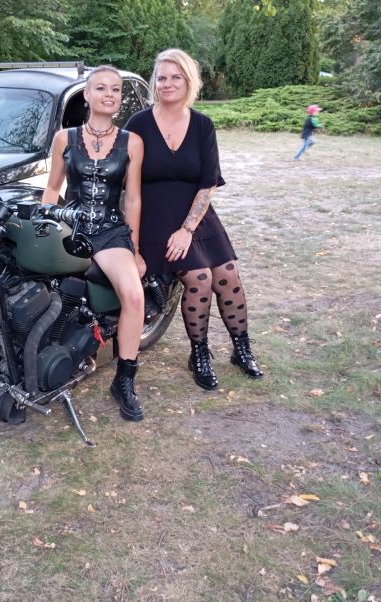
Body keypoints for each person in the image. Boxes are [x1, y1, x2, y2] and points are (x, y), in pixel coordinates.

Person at [125, 48, 263, 391]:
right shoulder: (138, 124)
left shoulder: (202, 125)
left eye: (176, 77)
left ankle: (241, 349)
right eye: (162, 77)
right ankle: (199, 354)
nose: (168, 83)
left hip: (195, 215)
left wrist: (188, 228)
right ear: (154, 83)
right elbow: (123, 179)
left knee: (227, 273)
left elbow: (208, 182)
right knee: (199, 277)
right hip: (154, 215)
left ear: (189, 81)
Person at [42, 65, 147, 421]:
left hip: (109, 231)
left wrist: (134, 248)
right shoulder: (64, 138)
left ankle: (125, 380)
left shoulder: (132, 142)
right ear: (86, 95)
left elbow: (133, 198)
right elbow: (52, 189)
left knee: (134, 296)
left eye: (115, 89)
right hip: (70, 228)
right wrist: (44, 224)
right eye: (100, 88)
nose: (109, 94)